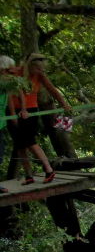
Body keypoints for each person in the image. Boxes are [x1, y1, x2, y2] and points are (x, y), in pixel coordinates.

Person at [6, 53, 71, 186]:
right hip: (13, 111)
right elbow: (10, 92)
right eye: (38, 68)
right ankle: (28, 175)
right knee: (20, 145)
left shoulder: (40, 75)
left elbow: (52, 90)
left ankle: (49, 170)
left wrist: (64, 103)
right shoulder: (16, 72)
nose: (40, 71)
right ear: (30, 66)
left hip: (30, 112)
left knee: (30, 141)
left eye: (42, 69)